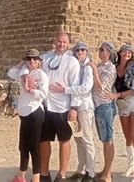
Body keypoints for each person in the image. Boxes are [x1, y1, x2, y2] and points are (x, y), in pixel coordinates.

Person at [49, 41, 96, 181]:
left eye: (83, 50)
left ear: (87, 52)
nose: (80, 52)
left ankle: (90, 172)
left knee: (87, 140)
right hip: (75, 108)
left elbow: (86, 88)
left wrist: (64, 90)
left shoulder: (88, 67)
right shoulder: (76, 65)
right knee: (79, 140)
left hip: (85, 108)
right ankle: (80, 170)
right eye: (78, 50)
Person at [37, 32, 80, 182]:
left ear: (68, 43)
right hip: (46, 106)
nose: (61, 44)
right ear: (54, 41)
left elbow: (76, 84)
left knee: (64, 140)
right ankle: (44, 172)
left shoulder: (72, 61)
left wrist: (74, 107)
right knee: (43, 140)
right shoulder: (45, 58)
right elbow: (29, 66)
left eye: (65, 42)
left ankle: (62, 174)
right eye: (59, 41)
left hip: (63, 107)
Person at [104, 44, 134, 182]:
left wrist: (117, 95)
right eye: (125, 51)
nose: (127, 54)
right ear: (120, 53)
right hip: (123, 105)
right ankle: (131, 166)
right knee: (127, 137)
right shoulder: (114, 68)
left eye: (130, 52)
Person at [8, 49, 48, 182]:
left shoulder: (42, 75)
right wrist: (23, 64)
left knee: (34, 147)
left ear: (39, 61)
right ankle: (21, 176)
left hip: (35, 112)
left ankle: (36, 179)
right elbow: (10, 72)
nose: (32, 61)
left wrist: (32, 90)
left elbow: (44, 94)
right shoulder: (22, 73)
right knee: (23, 146)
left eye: (35, 59)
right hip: (24, 113)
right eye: (29, 59)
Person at [91, 42, 117, 182]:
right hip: (98, 106)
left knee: (108, 140)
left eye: (102, 49)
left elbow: (101, 87)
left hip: (105, 106)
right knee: (104, 140)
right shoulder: (101, 66)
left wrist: (94, 70)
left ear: (109, 53)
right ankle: (106, 170)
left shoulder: (110, 67)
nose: (99, 51)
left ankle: (107, 175)